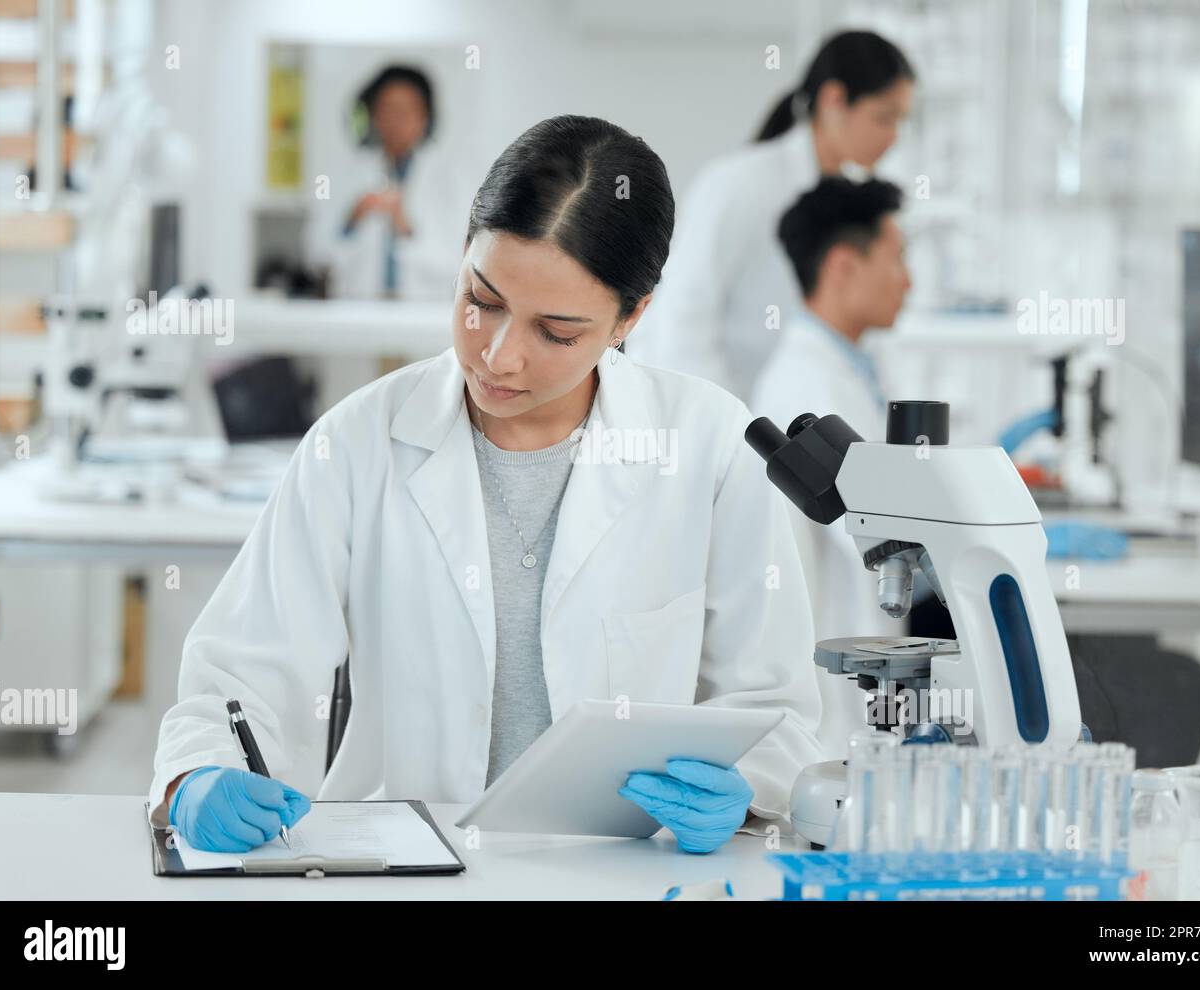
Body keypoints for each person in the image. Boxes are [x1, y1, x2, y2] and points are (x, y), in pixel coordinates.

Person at [149, 116, 824, 856]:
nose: (499, 356)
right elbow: (242, 665)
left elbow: (775, 709)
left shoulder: (709, 446)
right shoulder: (358, 443)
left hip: (626, 871)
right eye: (484, 299)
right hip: (409, 861)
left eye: (556, 333)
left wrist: (749, 790)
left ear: (632, 317)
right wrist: (198, 774)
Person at [627, 30, 915, 400]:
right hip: (722, 414)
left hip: (783, 422)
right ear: (834, 100)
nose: (894, 137)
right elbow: (681, 318)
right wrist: (727, 426)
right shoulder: (742, 183)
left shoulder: (845, 200)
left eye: (901, 121)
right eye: (884, 118)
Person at [750, 176, 911, 757]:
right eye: (897, 258)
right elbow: (879, 536)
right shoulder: (803, 383)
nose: (908, 280)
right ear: (844, 265)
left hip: (868, 669)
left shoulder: (849, 368)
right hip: (837, 700)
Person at [310, 64, 463, 300]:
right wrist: (353, 218)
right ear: (374, 115)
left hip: (423, 312)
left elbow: (459, 264)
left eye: (405, 111)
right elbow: (318, 257)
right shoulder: (346, 174)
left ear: (424, 117)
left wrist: (406, 229)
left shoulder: (450, 178)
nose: (396, 120)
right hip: (357, 312)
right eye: (388, 109)